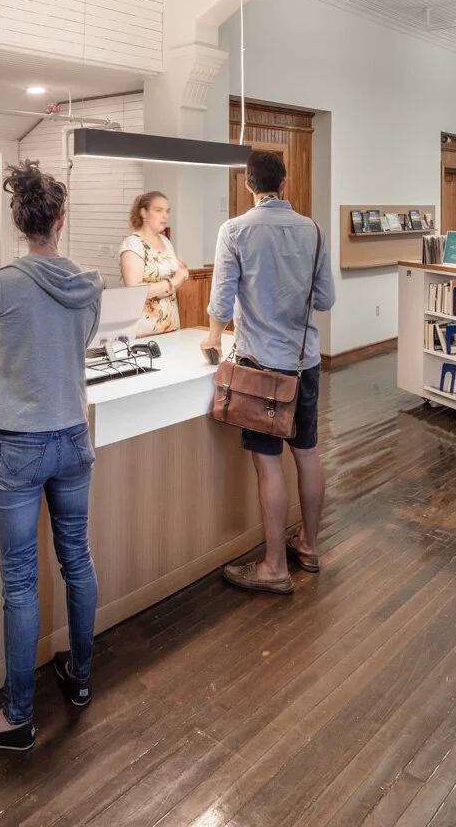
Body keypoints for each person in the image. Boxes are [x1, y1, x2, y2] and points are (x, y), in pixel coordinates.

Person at [0, 161, 103, 752]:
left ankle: (18, 715)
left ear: (19, 223)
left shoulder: (1, 283)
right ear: (60, 222)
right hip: (72, 436)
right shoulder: (88, 283)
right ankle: (81, 678)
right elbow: (78, 342)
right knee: (78, 561)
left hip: (17, 442)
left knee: (20, 581)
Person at [201, 150, 335, 595]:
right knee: (307, 453)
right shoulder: (313, 230)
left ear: (248, 184)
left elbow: (221, 302)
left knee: (268, 463)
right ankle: (310, 547)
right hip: (305, 361)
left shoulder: (235, 230)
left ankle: (274, 566)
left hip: (260, 366)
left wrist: (212, 336)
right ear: (286, 180)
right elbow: (325, 300)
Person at [120, 190, 187, 335]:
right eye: (158, 210)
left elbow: (171, 284)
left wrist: (182, 275)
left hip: (171, 327)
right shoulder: (133, 244)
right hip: (144, 331)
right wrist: (172, 282)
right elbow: (134, 290)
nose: (165, 216)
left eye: (167, 211)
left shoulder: (166, 242)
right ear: (143, 212)